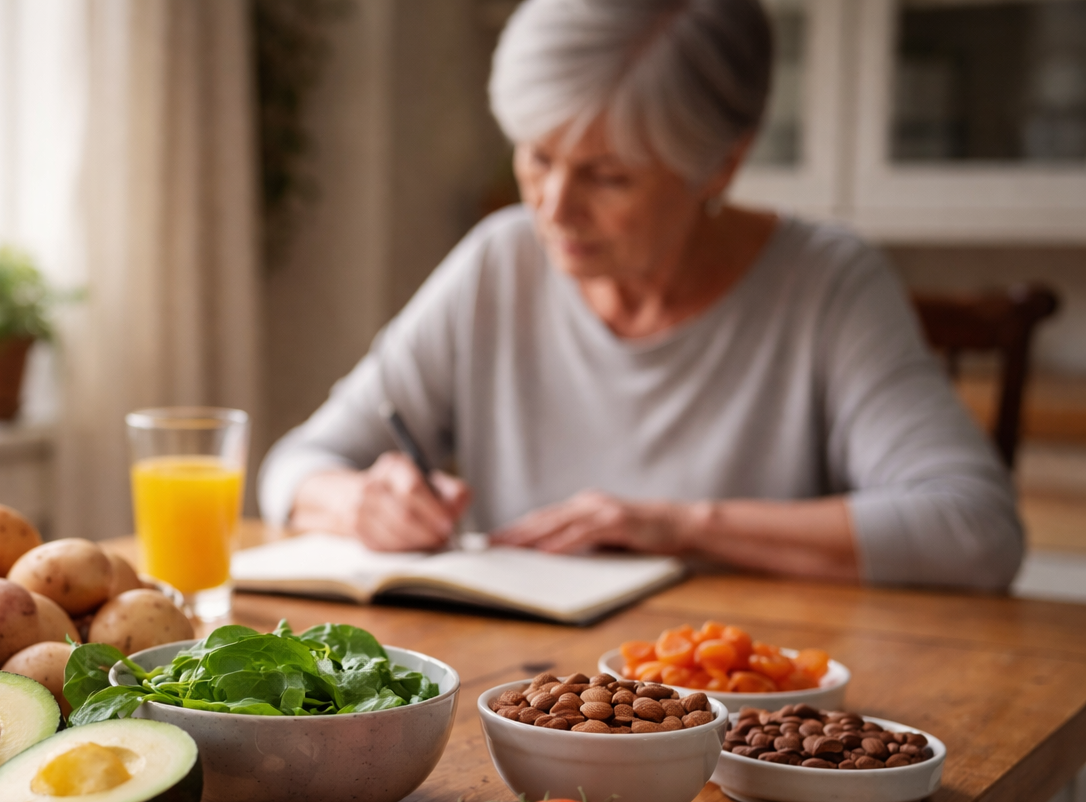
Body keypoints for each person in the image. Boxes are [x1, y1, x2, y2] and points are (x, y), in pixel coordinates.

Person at [257, 0, 1023, 590]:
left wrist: (679, 526)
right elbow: (295, 466)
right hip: (526, 695)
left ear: (721, 166)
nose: (553, 207)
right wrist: (361, 501)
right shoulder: (498, 261)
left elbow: (975, 530)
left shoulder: (827, 284)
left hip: (737, 719)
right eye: (537, 155)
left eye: (609, 175)